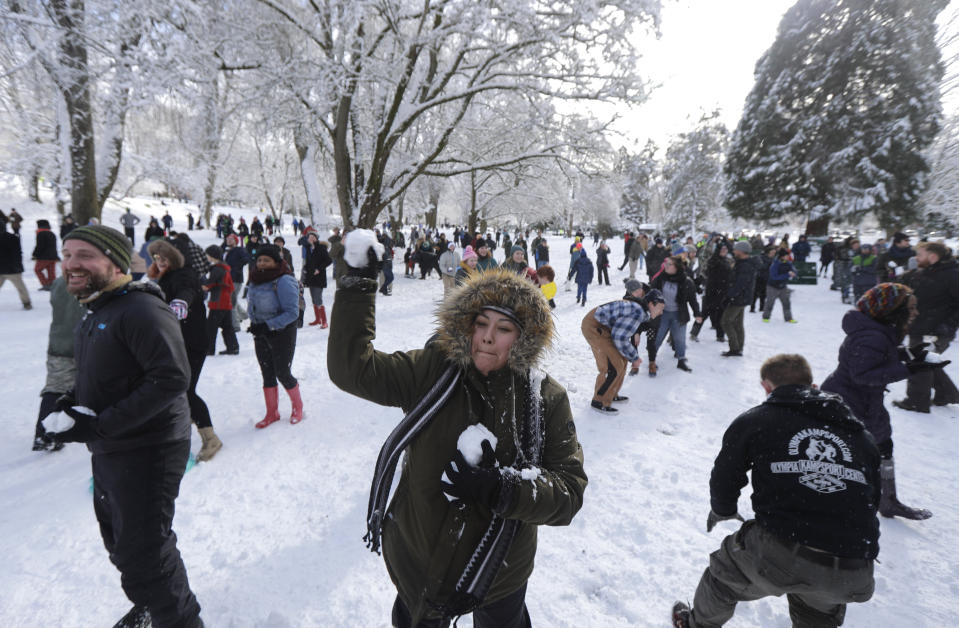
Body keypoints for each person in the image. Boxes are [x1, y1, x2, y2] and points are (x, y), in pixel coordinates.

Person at [328, 240, 588, 627]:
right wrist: (357, 285)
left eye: (503, 329)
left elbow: (569, 492)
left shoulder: (544, 398)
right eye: (480, 324)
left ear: (523, 338)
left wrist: (503, 489)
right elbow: (353, 369)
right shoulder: (432, 371)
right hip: (419, 562)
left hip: (502, 573)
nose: (487, 337)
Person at [44, 225, 203, 627]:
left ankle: (180, 621)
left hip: (149, 448)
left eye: (84, 255)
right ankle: (150, 606)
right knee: (119, 539)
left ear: (114, 261)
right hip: (114, 446)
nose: (71, 264)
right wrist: (72, 406)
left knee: (146, 547)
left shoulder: (141, 309)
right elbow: (107, 373)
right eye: (66, 255)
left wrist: (99, 426)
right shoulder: (99, 308)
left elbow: (170, 379)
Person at [672, 354, 880, 628]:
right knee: (817, 613)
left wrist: (723, 509)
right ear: (814, 386)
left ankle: (697, 625)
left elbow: (725, 474)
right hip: (853, 566)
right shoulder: (859, 436)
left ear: (766, 387)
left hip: (780, 550)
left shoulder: (758, 420)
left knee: (723, 578)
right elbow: (872, 498)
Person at [821, 283, 948, 520]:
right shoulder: (871, 335)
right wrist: (911, 368)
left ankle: (886, 500)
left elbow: (880, 357)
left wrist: (910, 355)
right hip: (850, 402)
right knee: (852, 452)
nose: (915, 312)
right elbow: (863, 375)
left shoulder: (878, 330)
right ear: (892, 309)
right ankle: (839, 503)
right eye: (911, 308)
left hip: (865, 402)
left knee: (881, 448)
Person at [147, 239, 222, 462]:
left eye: (164, 257)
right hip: (175, 341)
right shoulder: (164, 277)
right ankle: (179, 427)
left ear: (175, 258)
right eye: (156, 258)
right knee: (174, 391)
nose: (159, 262)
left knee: (185, 390)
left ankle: (211, 438)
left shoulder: (184, 274)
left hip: (192, 343)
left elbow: (187, 291)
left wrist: (180, 304)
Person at [894, 242, 959, 413]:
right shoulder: (926, 272)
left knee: (919, 363)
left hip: (937, 331)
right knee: (927, 360)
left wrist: (947, 326)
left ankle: (916, 401)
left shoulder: (953, 275)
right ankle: (947, 394)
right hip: (920, 327)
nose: (916, 258)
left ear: (933, 257)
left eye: (920, 255)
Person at [247, 244, 304, 427]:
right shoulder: (255, 279)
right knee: (267, 373)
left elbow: (292, 312)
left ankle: (298, 407)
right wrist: (256, 324)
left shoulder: (284, 280)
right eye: (259, 260)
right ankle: (272, 413)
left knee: (283, 372)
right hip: (261, 332)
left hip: (282, 333)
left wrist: (268, 325)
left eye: (266, 260)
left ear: (276, 261)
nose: (262, 263)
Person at [582, 289, 665, 413]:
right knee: (613, 366)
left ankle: (611, 394)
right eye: (660, 308)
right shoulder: (637, 311)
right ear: (652, 304)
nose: (661, 312)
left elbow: (622, 334)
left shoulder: (640, 310)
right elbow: (620, 337)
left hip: (605, 328)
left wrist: (631, 356)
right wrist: (635, 357)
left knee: (621, 359)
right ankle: (599, 401)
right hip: (594, 326)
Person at [32, 274, 85, 451]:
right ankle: (57, 432)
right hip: (85, 341)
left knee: (55, 387)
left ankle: (45, 434)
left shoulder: (59, 282)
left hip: (58, 342)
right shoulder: (91, 281)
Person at [650, 256, 702, 372]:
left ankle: (681, 360)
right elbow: (651, 293)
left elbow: (693, 300)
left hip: (679, 314)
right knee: (657, 338)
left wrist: (697, 314)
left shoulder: (687, 281)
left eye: (669, 264)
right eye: (666, 263)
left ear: (677, 267)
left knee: (680, 339)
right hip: (662, 314)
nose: (666, 266)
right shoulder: (660, 278)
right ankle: (652, 360)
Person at [721, 241, 759, 357]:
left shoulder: (745, 265)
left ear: (741, 251)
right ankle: (738, 347)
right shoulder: (742, 262)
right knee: (737, 323)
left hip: (739, 299)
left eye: (736, 249)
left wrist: (729, 295)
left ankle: (735, 348)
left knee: (726, 321)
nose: (733, 251)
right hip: (741, 298)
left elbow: (740, 284)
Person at [691, 243, 732, 343]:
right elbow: (706, 273)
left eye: (725, 249)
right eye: (722, 249)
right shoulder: (713, 260)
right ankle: (694, 333)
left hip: (722, 292)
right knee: (704, 313)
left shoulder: (727, 261)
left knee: (720, 315)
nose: (724, 251)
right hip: (711, 292)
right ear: (718, 250)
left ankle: (720, 336)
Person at [202, 245, 239, 356]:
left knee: (211, 328)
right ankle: (233, 347)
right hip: (226, 301)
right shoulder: (224, 267)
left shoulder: (217, 269)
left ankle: (209, 349)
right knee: (227, 326)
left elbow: (208, 285)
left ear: (212, 256)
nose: (206, 257)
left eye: (207, 255)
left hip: (218, 302)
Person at [303, 232, 333, 328]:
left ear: (316, 238)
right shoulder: (308, 249)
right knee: (313, 299)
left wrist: (319, 269)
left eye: (313, 237)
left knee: (318, 298)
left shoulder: (321, 248)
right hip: (310, 277)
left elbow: (329, 260)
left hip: (319, 277)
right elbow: (308, 262)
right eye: (309, 237)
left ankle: (324, 321)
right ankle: (317, 319)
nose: (311, 238)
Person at [0, 221, 32, 309]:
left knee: (20, 287)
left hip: (9, 269)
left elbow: (17, 254)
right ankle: (27, 303)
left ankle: (27, 303)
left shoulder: (12, 238)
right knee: (21, 287)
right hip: (12, 269)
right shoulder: (13, 238)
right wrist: (18, 266)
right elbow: (17, 254)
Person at [762, 249, 798, 323]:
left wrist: (793, 273)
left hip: (783, 287)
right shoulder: (775, 264)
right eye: (786, 256)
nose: (788, 257)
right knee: (770, 303)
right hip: (772, 287)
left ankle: (788, 318)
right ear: (782, 257)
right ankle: (766, 317)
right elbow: (774, 277)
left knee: (786, 303)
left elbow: (794, 270)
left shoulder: (788, 263)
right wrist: (787, 275)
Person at [32, 219, 59, 290]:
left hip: (44, 257)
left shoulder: (40, 233)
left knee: (37, 270)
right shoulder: (51, 233)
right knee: (51, 272)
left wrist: (35, 254)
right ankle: (53, 285)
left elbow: (40, 246)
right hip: (53, 256)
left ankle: (46, 284)